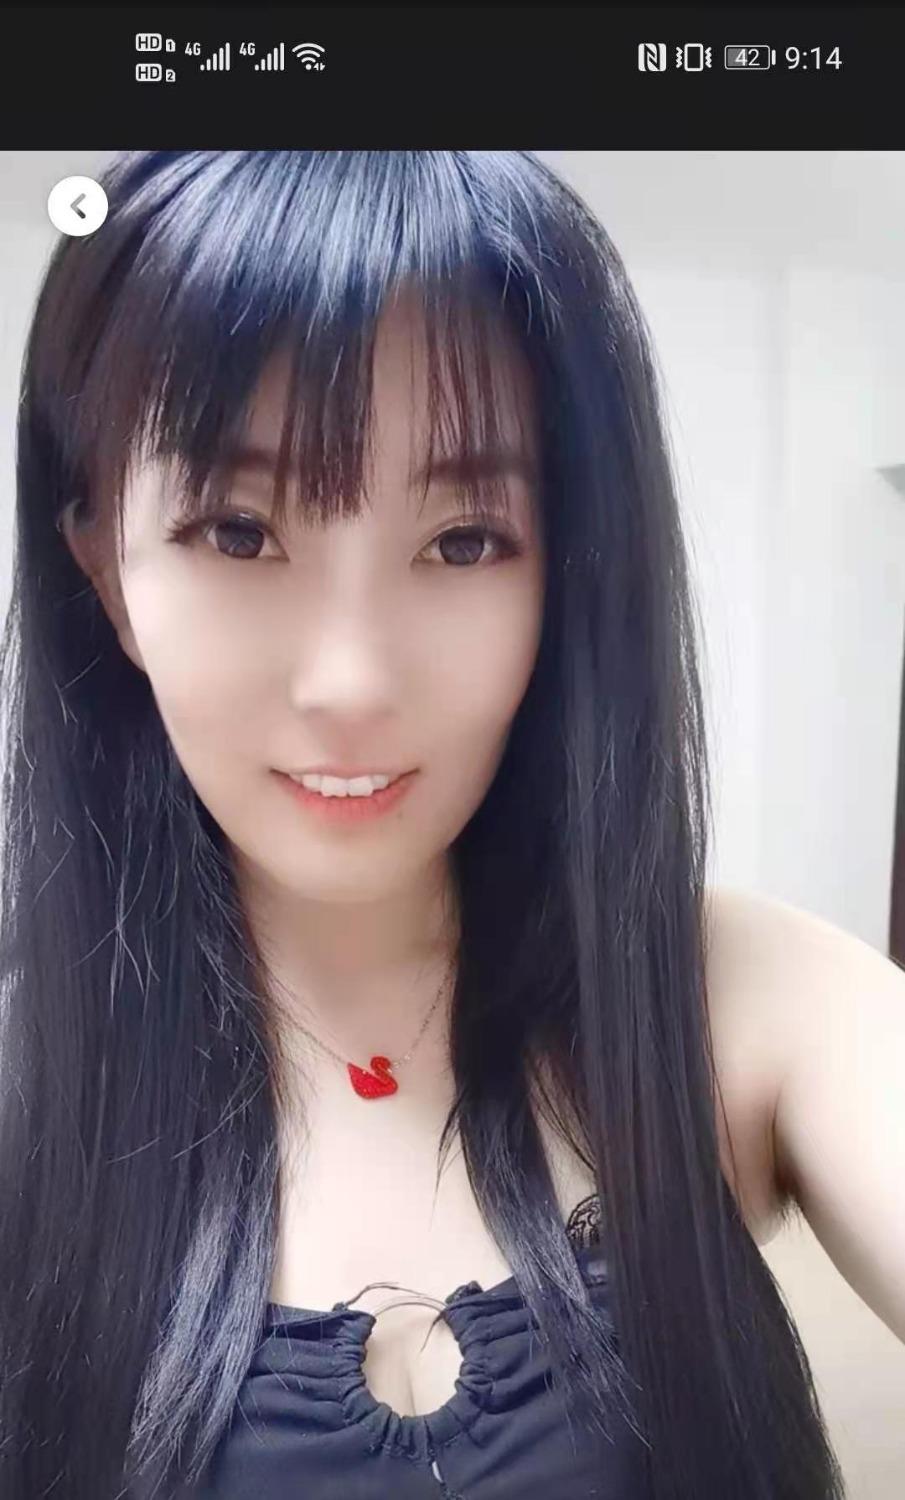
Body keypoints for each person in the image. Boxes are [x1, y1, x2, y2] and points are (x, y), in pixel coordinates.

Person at [0, 150, 851, 1499]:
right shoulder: (29, 1076)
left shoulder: (730, 996)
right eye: (237, 532)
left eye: (463, 542)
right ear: (106, 567)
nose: (351, 682)